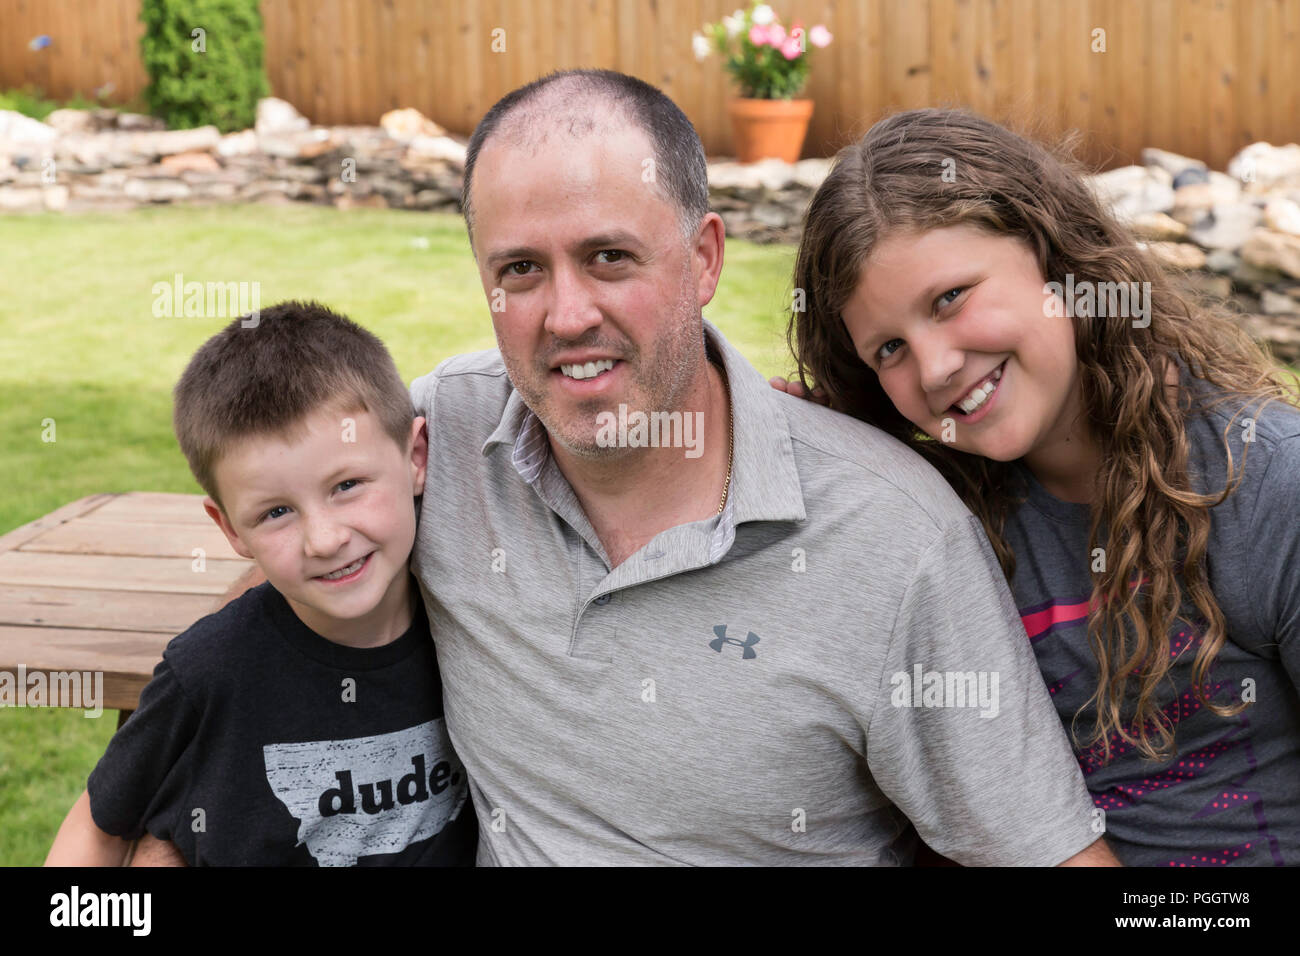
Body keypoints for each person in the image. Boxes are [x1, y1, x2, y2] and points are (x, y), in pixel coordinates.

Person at [405, 69, 1117, 865]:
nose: (567, 316)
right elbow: (275, 554)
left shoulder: (894, 538)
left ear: (704, 259)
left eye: (609, 257)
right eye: (520, 271)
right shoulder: (442, 436)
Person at [776, 107, 1300, 866]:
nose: (934, 369)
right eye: (889, 347)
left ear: (1055, 258)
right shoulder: (925, 517)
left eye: (950, 298)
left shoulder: (1264, 482)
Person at [44, 301, 476, 866]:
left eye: (347, 485)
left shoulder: (472, 628)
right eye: (276, 512)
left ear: (415, 456)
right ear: (229, 529)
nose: (323, 539)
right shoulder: (208, 668)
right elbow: (99, 827)